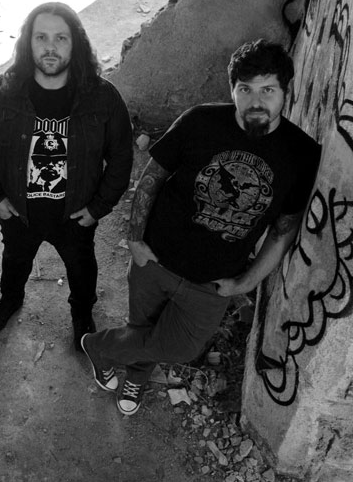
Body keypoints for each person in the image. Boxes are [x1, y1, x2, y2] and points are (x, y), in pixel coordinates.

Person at [81, 40, 321, 416]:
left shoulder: (301, 154)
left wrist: (245, 283)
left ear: (285, 92)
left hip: (213, 282)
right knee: (142, 327)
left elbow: (283, 230)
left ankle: (99, 348)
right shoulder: (200, 121)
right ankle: (137, 377)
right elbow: (152, 177)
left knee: (179, 346)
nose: (256, 101)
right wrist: (135, 241)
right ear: (232, 89)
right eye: (245, 89)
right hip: (155, 259)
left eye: (268, 90)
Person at [0, 2, 133, 350]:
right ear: (27, 42)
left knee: (82, 267)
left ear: (76, 44)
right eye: (41, 37)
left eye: (61, 38)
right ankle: (10, 300)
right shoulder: (1, 92)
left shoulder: (102, 97)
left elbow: (121, 157)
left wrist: (98, 208)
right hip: (19, 211)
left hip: (74, 213)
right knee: (15, 261)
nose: (50, 47)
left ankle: (82, 313)